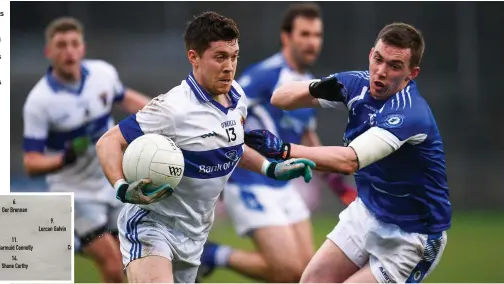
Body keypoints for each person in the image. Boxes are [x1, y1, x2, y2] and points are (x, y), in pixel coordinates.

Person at [94, 11, 317, 284]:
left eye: (234, 56)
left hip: (194, 235)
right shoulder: (173, 108)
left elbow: (232, 146)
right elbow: (109, 141)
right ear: (194, 57)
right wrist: (121, 187)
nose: (229, 66)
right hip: (152, 226)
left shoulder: (237, 98)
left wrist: (270, 168)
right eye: (220, 57)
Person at [245, 22, 451, 283]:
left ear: (412, 73)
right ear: (370, 55)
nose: (381, 72)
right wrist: (320, 86)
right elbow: (279, 98)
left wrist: (284, 150)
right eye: (378, 59)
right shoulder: (357, 84)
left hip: (412, 235)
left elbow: (349, 161)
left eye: (394, 66)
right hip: (367, 212)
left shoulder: (410, 113)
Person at [198, 3, 356, 283]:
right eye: (304, 34)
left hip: (285, 185)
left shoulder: (309, 83)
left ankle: (212, 256)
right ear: (286, 37)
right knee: (289, 271)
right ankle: (211, 255)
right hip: (250, 181)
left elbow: (307, 138)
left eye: (317, 35)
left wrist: (338, 186)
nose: (312, 42)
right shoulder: (266, 75)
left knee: (308, 274)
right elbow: (224, 109)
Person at [21, 17, 150, 283]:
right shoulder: (39, 102)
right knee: (113, 268)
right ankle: (77, 237)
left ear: (83, 48)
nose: (68, 50)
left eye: (73, 44)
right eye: (61, 45)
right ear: (49, 52)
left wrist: (161, 114)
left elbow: (125, 99)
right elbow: (31, 163)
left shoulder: (102, 74)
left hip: (112, 181)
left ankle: (78, 241)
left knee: (136, 260)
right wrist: (63, 158)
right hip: (75, 195)